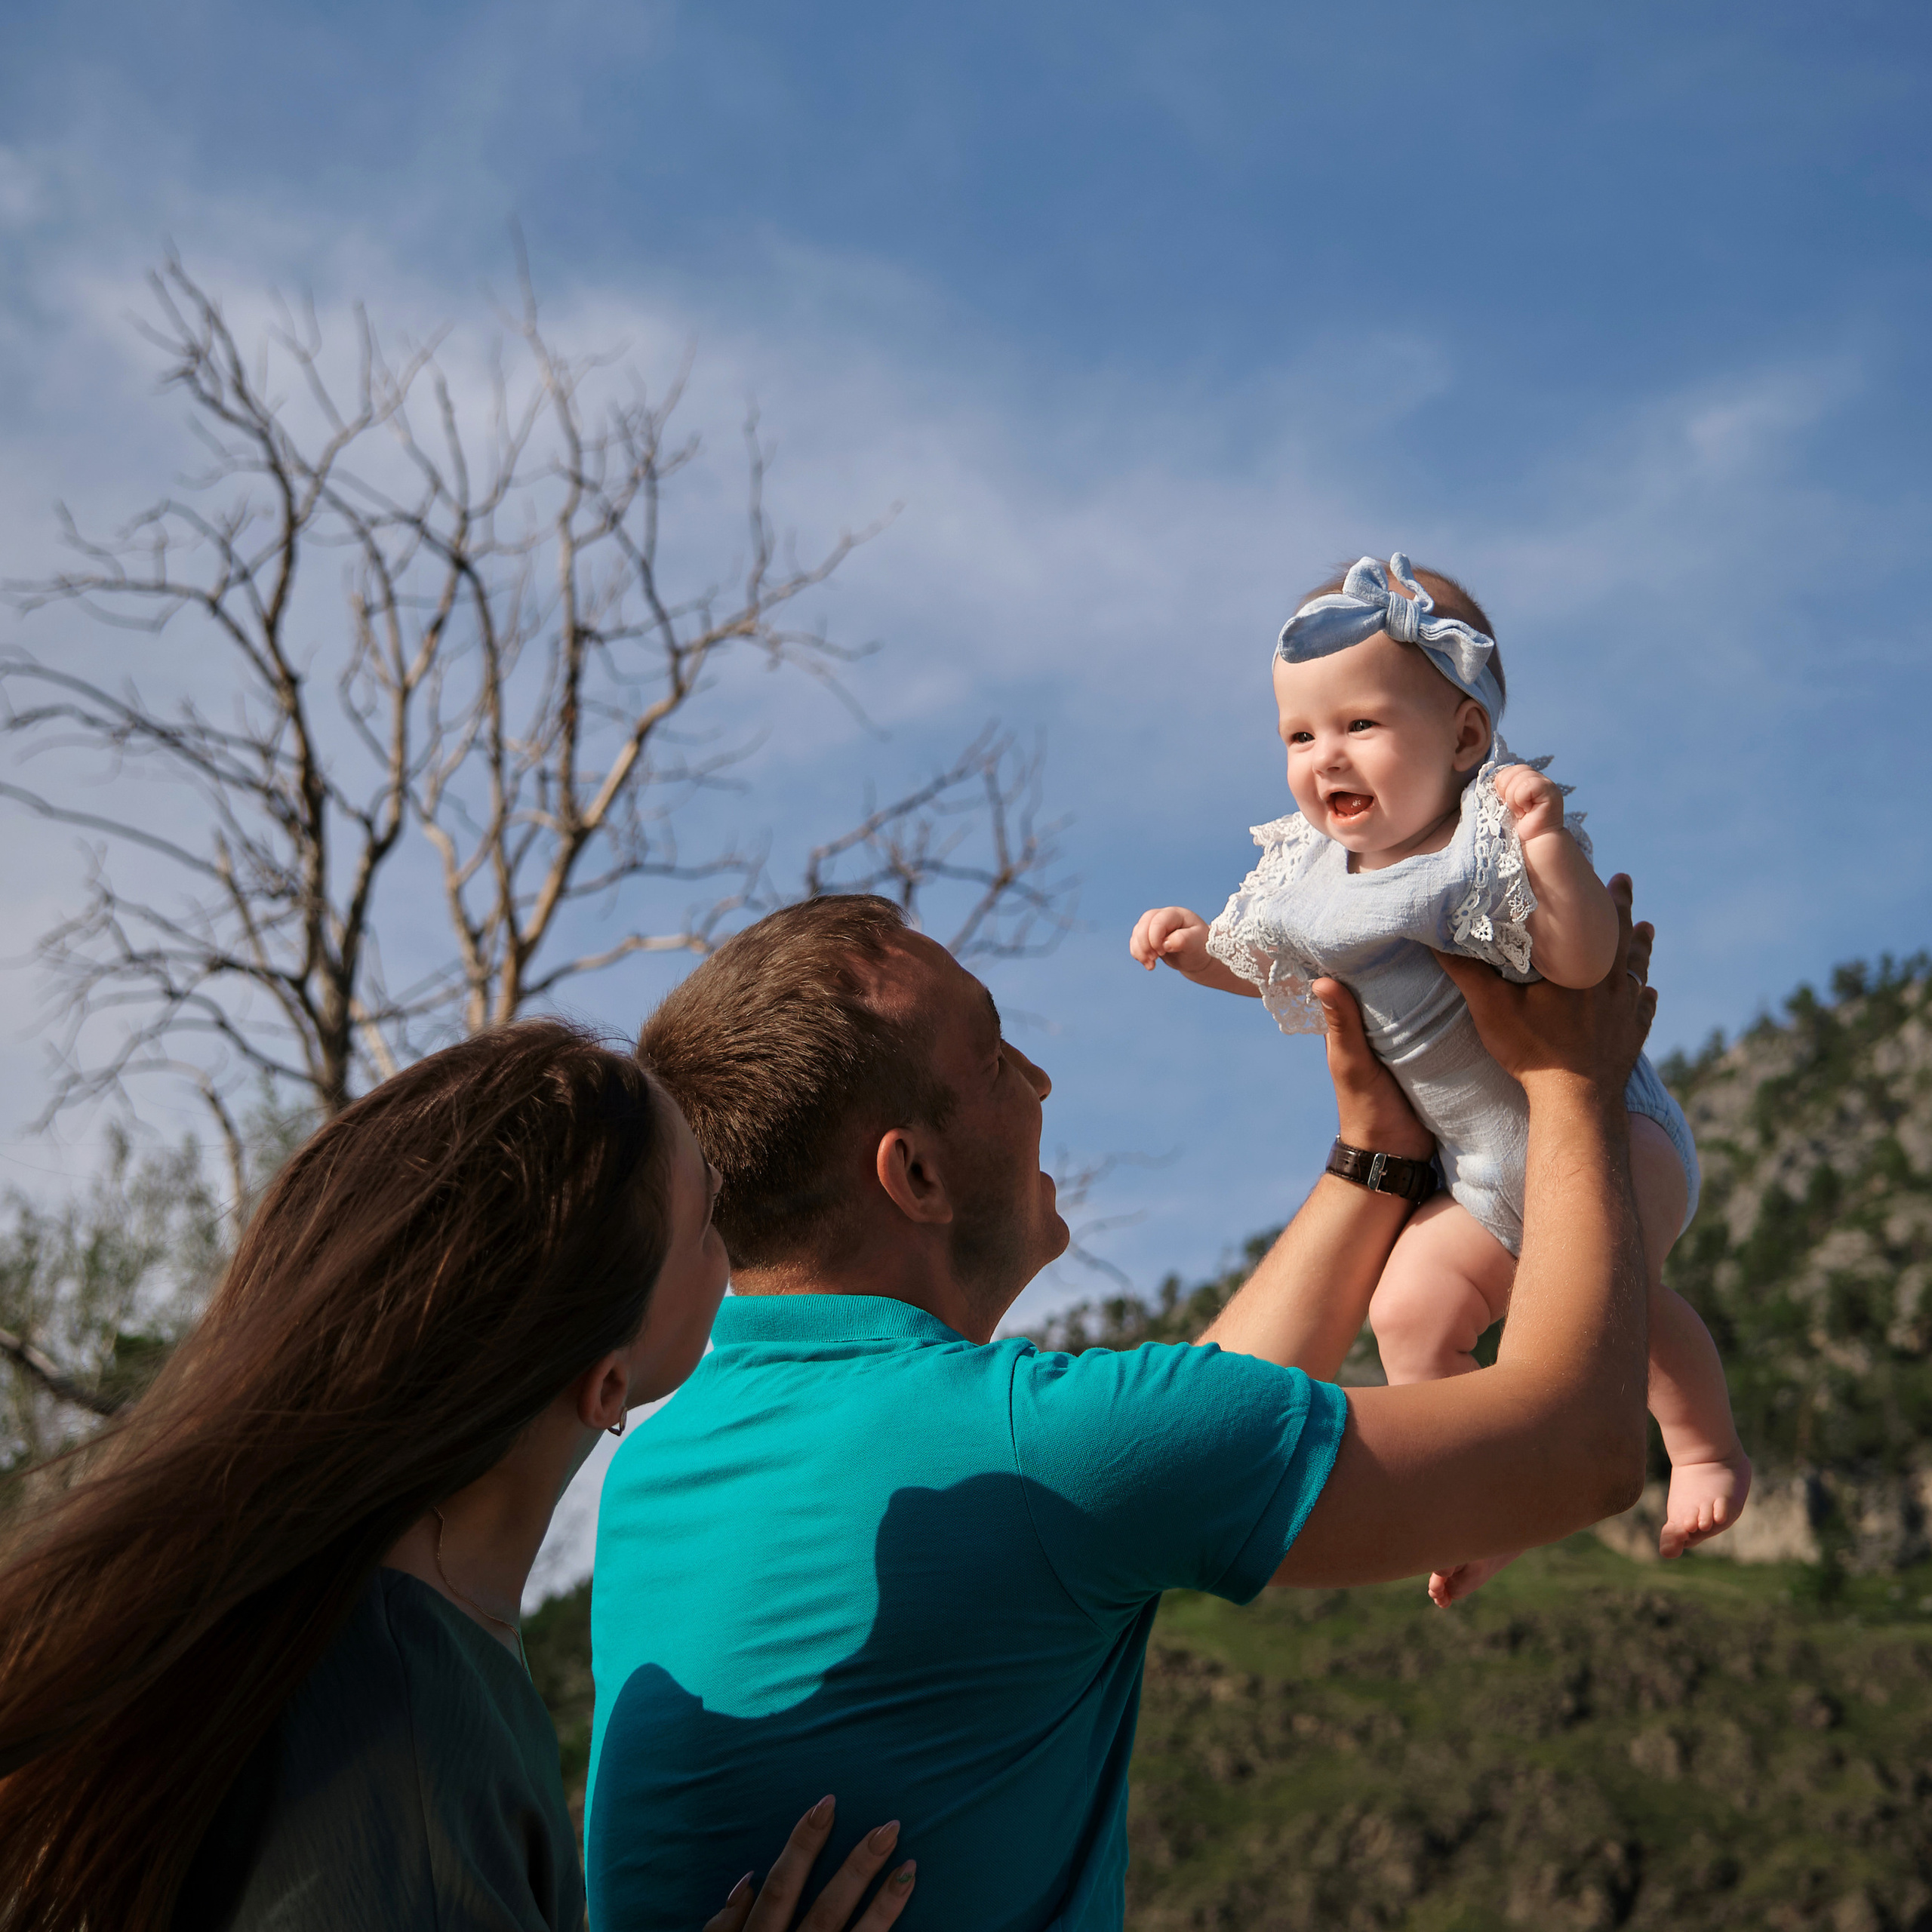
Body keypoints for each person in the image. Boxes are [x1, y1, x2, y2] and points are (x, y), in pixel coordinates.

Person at [587, 881, 1657, 1932]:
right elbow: (1582, 1446)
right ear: (913, 1174)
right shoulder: (1035, 1452)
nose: (1041, 1082)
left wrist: (1374, 1167)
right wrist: (1570, 1079)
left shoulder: (657, 1471)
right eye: (995, 1054)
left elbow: (1151, 1459)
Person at [0, 1022, 914, 1932]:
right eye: (706, 1225)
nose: (728, 1237)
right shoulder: (409, 1747)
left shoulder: (338, 1615)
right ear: (603, 1378)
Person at [1131, 553, 1750, 1600]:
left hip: (1603, 1132)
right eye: (1299, 735)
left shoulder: (1488, 839)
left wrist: (1553, 856)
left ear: (1465, 737)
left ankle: (1705, 1448)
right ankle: (1485, 1492)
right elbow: (1267, 961)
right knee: (1409, 1313)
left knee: (1618, 1295)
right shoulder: (1307, 882)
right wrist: (1199, 952)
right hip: (1473, 1174)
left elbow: (1585, 962)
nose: (1327, 756)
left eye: (1361, 725)